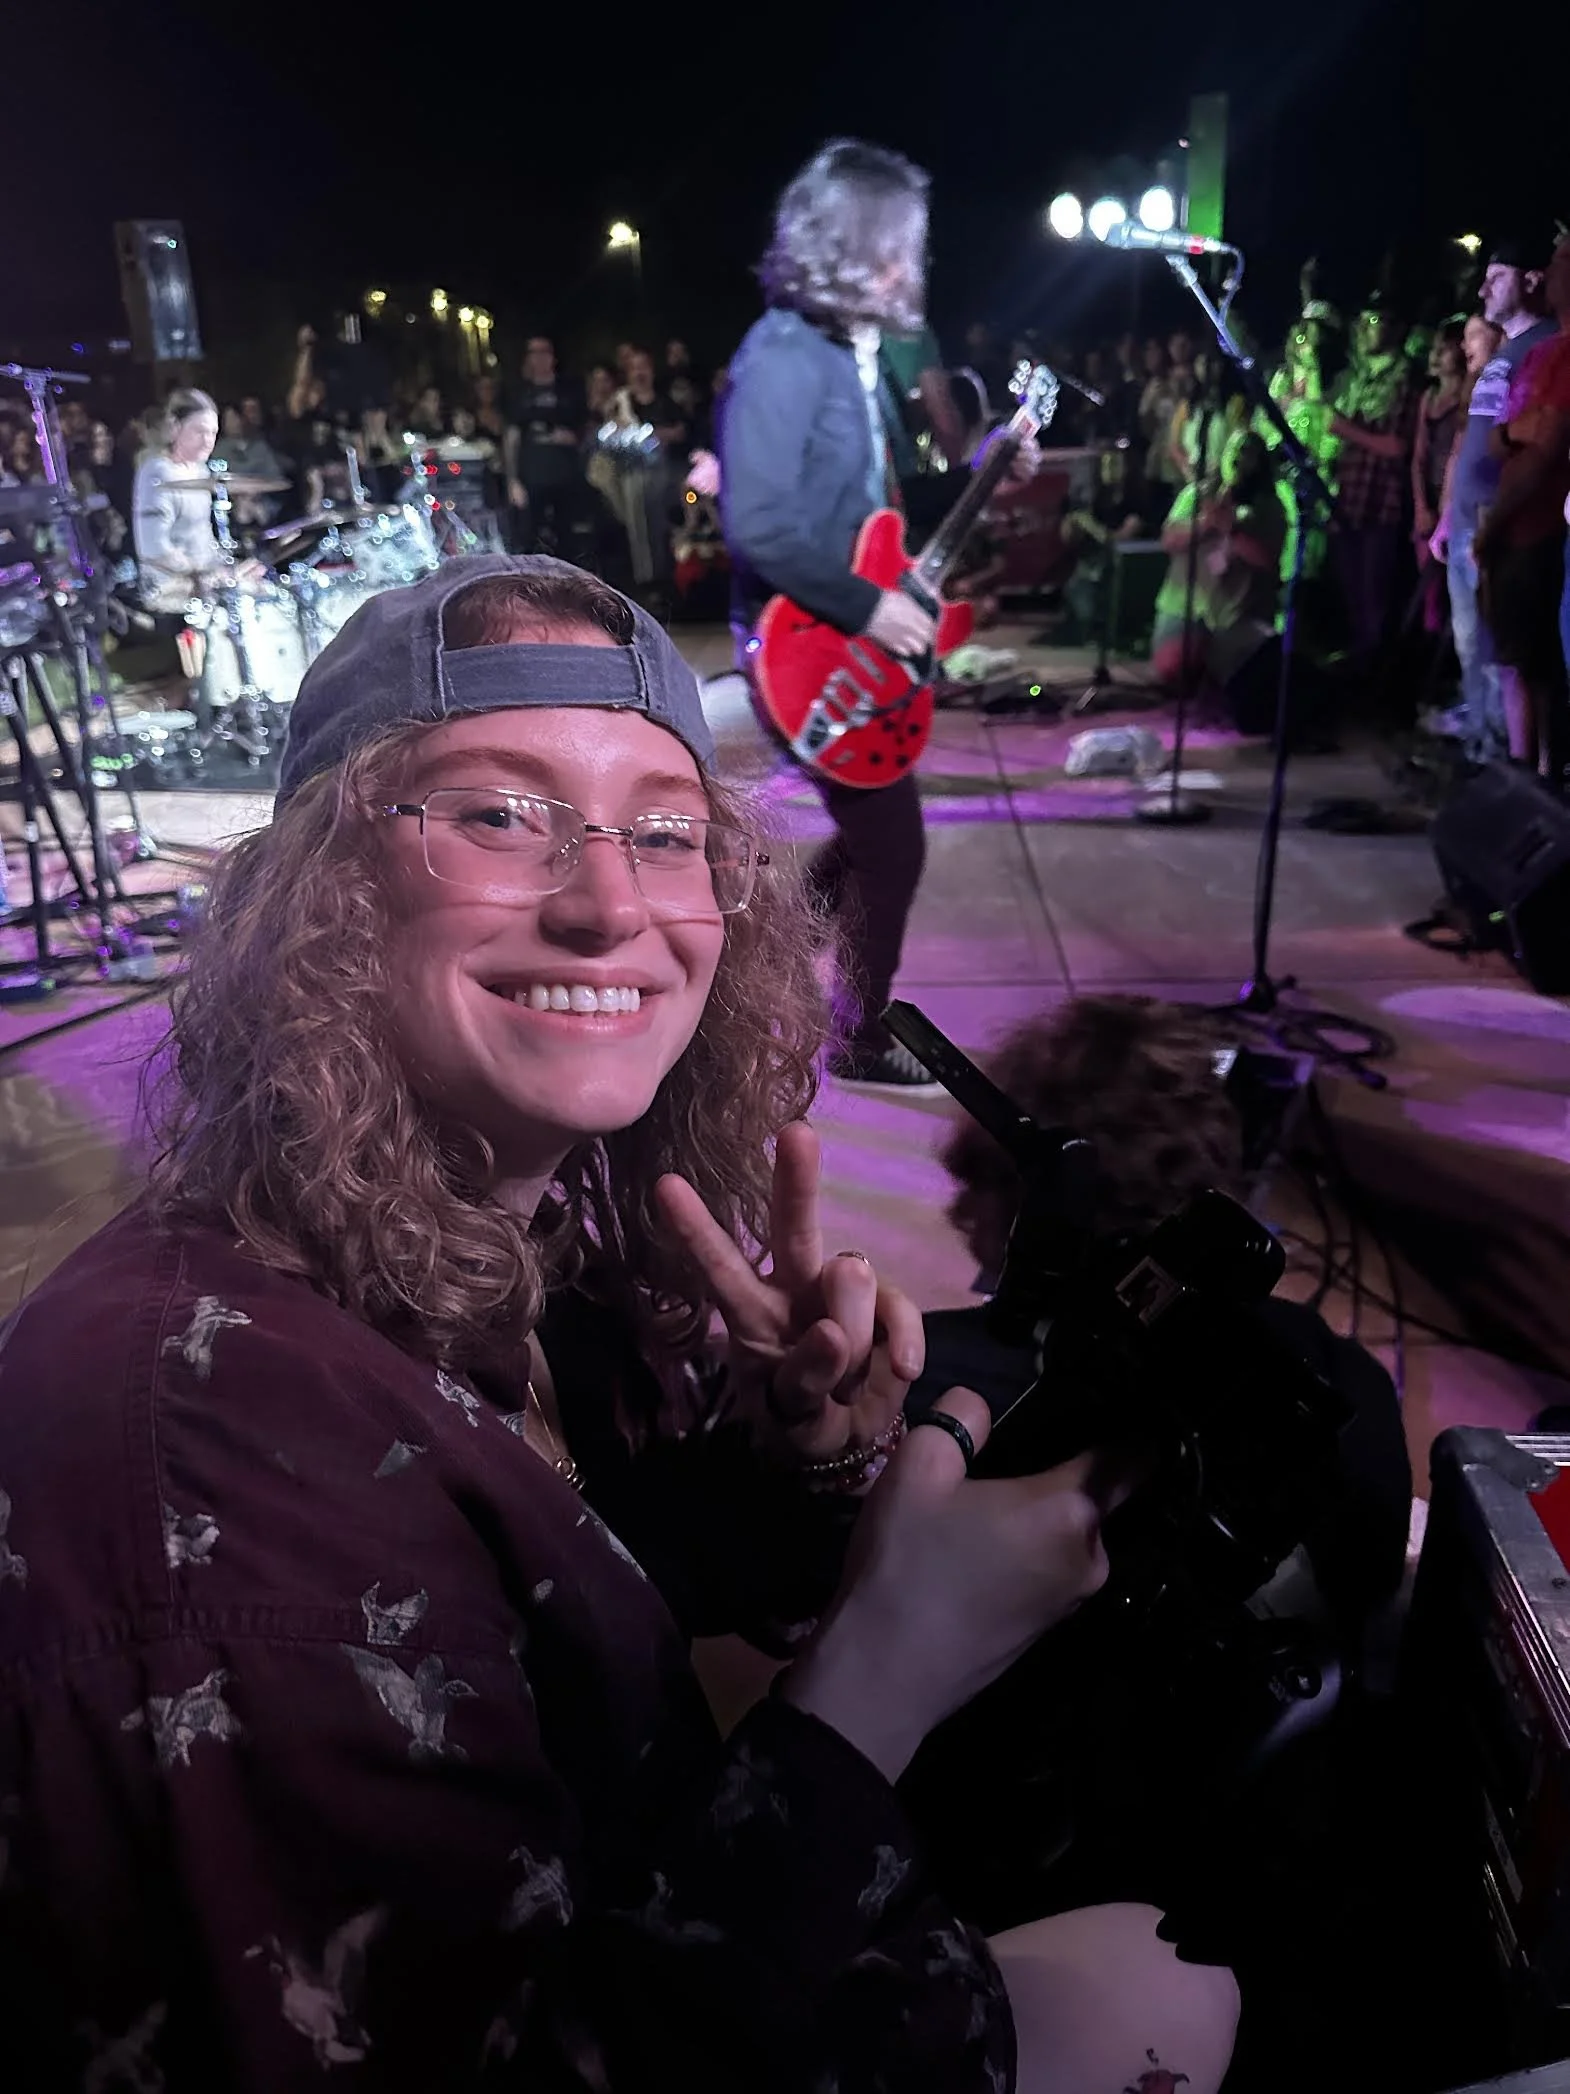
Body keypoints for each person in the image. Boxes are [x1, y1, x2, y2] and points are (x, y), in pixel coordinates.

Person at [0, 554, 1239, 2094]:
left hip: (720, 1943)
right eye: (498, 814)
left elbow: (536, 1595)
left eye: (663, 832)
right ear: (320, 891)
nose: (609, 906)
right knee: (1205, 1971)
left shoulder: (480, 1239)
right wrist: (884, 1667)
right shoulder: (207, 1466)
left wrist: (792, 1469)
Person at [719, 139, 960, 1091]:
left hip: (830, 637)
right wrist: (869, 609)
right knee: (892, 846)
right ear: (857, 247)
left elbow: (871, 515)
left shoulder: (848, 353)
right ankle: (856, 1038)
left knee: (873, 840)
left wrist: (989, 466)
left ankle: (760, 960)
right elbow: (759, 525)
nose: (914, 263)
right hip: (798, 649)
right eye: (900, 243)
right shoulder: (784, 357)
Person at [1430, 240, 1556, 763]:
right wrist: (1447, 517)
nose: (1483, 289)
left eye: (1497, 277)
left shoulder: (1544, 347)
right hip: (1469, 518)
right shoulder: (1505, 352)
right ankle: (1483, 748)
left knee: (1508, 654)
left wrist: (1494, 522)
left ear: (1531, 280)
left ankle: (1511, 762)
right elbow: (1470, 440)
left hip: (1502, 522)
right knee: (1473, 646)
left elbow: (1535, 442)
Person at [1473, 231, 1570, 784]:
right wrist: (1518, 431)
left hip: (1537, 530)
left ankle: (1543, 782)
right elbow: (1499, 437)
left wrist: (1494, 524)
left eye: (1561, 261)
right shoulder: (1537, 355)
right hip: (1509, 527)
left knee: (1540, 666)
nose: (1552, 272)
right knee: (1515, 661)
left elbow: (1545, 446)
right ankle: (1522, 777)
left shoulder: (1561, 350)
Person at [1150, 431, 1289, 692]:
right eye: (1234, 450)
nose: (1239, 458)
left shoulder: (1271, 507)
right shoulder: (1195, 495)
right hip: (1185, 610)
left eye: (1248, 453)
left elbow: (1267, 560)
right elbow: (1169, 540)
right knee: (1171, 667)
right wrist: (1206, 523)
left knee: (1248, 678)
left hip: (1238, 616)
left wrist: (1230, 528)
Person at [131, 388, 254, 611]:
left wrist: (230, 568)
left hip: (206, 581)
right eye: (200, 431)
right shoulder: (157, 472)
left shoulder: (200, 470)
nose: (208, 441)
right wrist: (208, 576)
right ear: (175, 427)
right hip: (170, 588)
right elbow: (153, 549)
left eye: (213, 433)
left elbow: (201, 539)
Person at [505, 336, 590, 559]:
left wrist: (573, 438)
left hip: (566, 476)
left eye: (544, 352)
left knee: (569, 542)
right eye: (534, 353)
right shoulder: (519, 394)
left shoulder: (570, 390)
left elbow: (587, 428)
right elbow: (511, 437)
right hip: (532, 477)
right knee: (527, 540)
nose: (540, 358)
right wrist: (512, 480)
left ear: (553, 357)